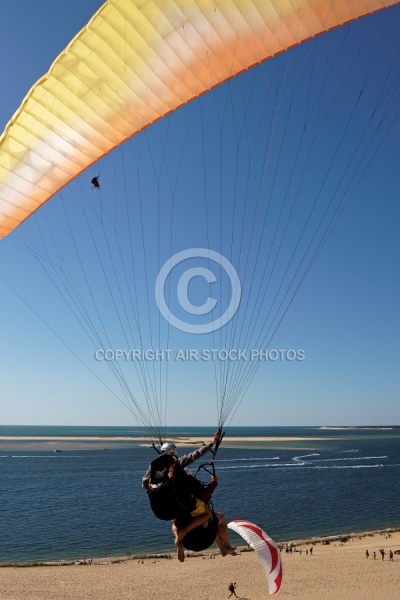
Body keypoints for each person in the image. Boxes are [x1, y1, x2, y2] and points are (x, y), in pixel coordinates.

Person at [142, 431, 222, 558]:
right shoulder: (176, 462)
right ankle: (185, 531)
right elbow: (195, 455)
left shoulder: (153, 467)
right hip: (180, 504)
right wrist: (211, 444)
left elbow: (144, 484)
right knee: (207, 513)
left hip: (161, 510)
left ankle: (179, 542)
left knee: (175, 523)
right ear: (173, 452)